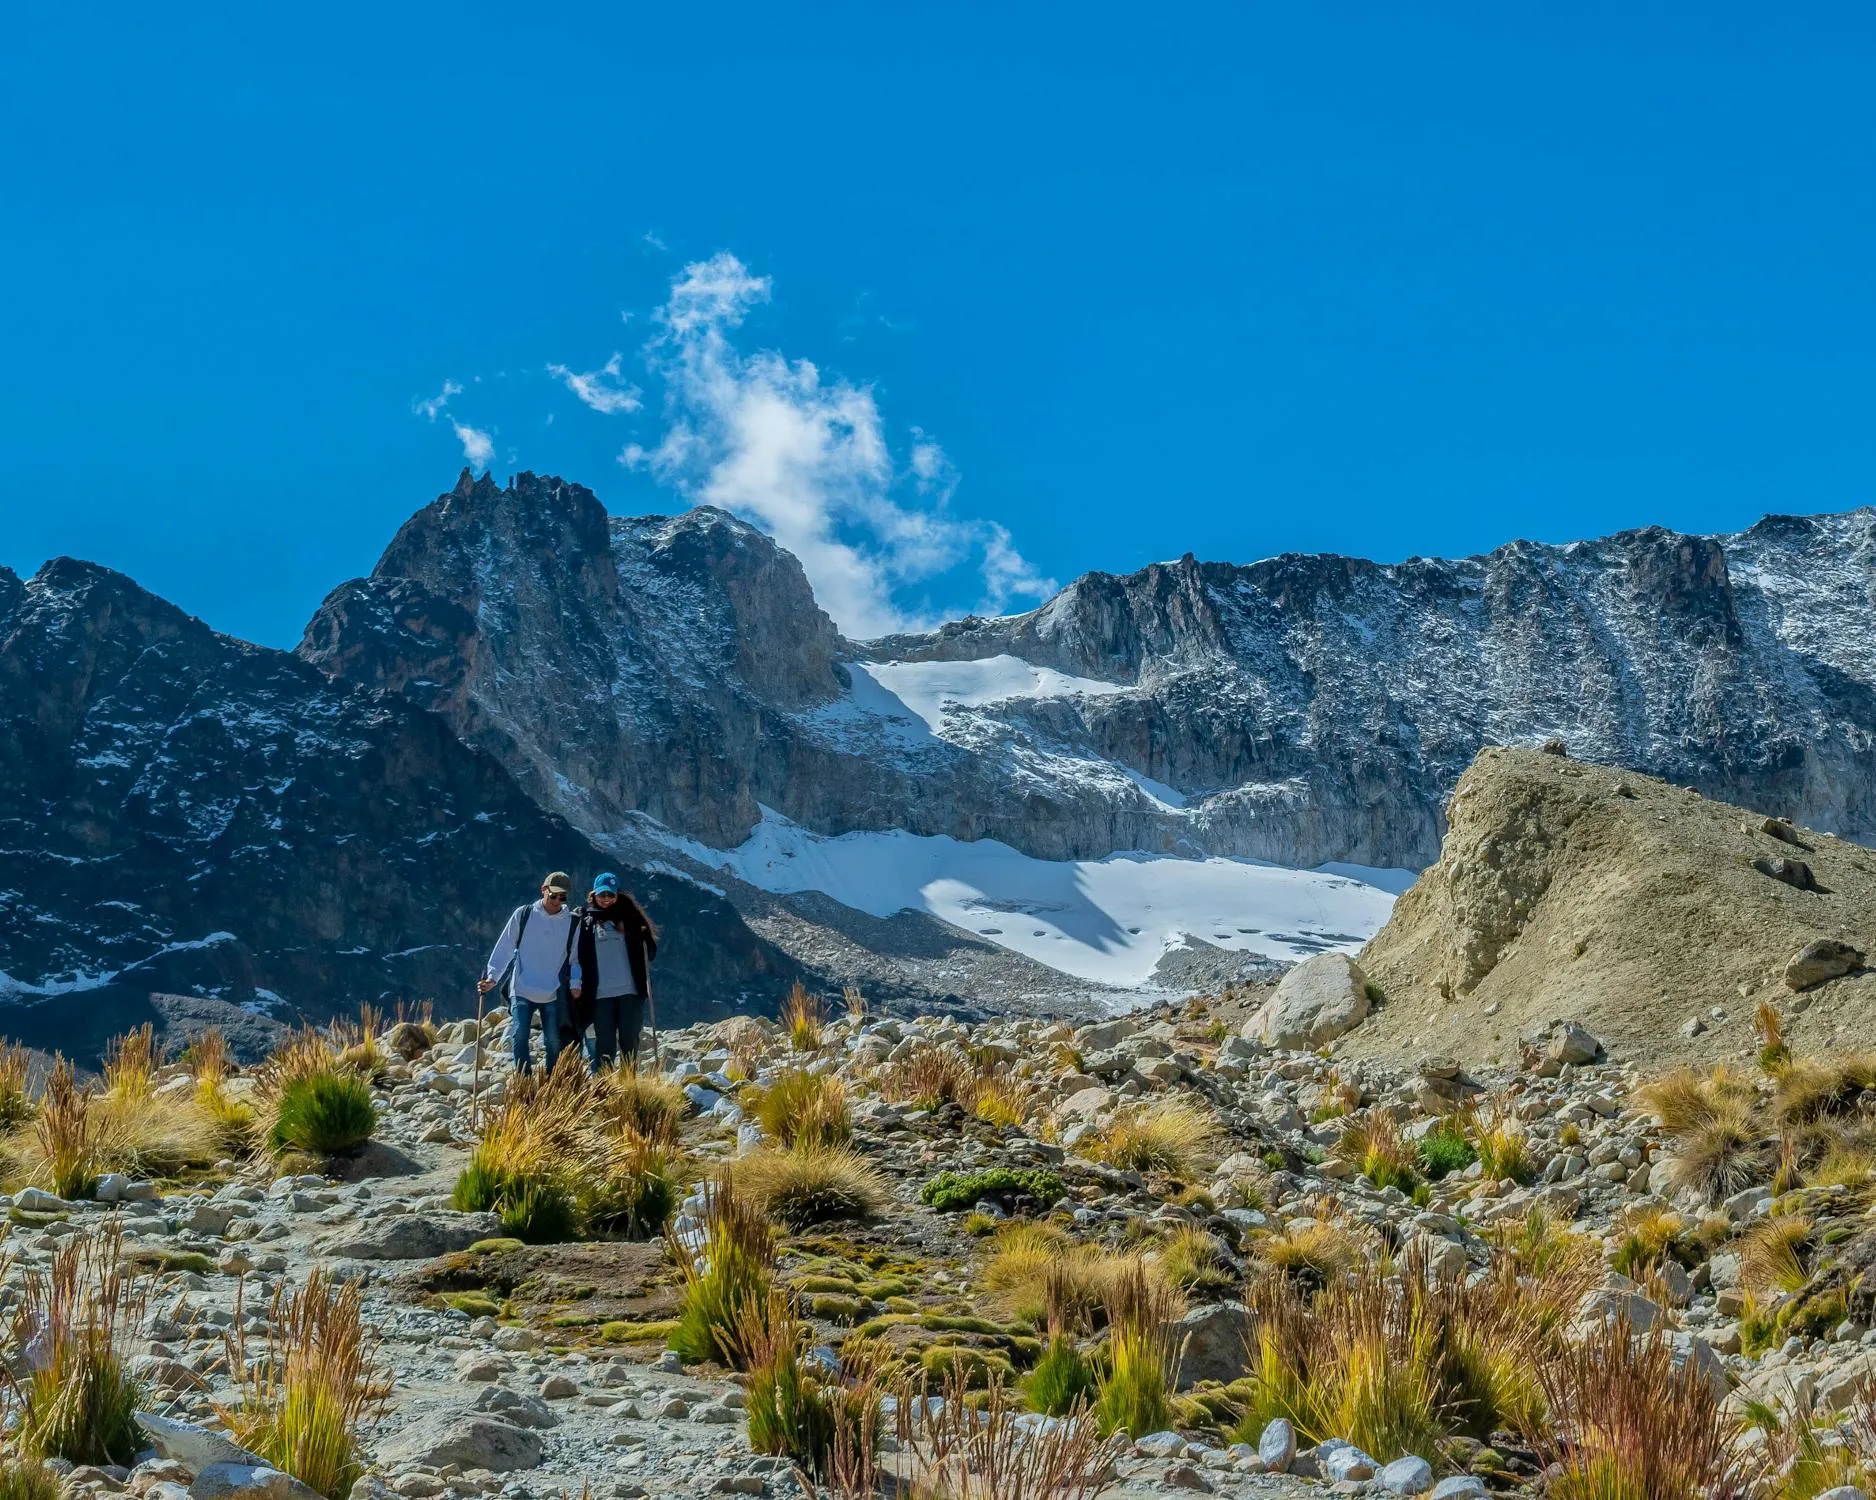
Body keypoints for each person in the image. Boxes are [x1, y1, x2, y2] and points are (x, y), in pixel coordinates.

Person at [479, 871, 582, 1076]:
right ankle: (524, 1083)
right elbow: (505, 947)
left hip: (551, 990)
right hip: (522, 987)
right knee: (519, 1035)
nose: (557, 901)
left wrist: (576, 982)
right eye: (553, 896)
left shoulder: (571, 922)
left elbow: (575, 958)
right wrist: (492, 977)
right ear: (543, 890)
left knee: (553, 1040)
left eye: (562, 897)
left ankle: (552, 1083)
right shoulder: (524, 914)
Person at [570, 872, 658, 1070]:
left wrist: (643, 935)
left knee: (629, 1040)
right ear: (594, 895)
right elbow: (576, 956)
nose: (606, 900)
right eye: (602, 895)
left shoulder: (631, 920)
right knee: (605, 1043)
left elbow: (649, 952)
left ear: (617, 895)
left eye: (610, 895)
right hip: (600, 994)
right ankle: (605, 1088)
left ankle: (628, 1083)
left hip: (630, 992)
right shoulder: (586, 921)